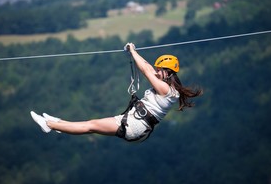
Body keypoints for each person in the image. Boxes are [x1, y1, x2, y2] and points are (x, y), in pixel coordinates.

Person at [30, 43, 203, 142]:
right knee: (91, 125)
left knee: (91, 125)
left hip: (135, 125)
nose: (157, 72)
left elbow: (146, 71)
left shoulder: (166, 90)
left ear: (169, 72)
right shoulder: (168, 88)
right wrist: (133, 50)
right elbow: (148, 67)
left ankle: (50, 125)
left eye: (160, 70)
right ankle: (58, 123)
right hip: (135, 122)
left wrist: (133, 52)